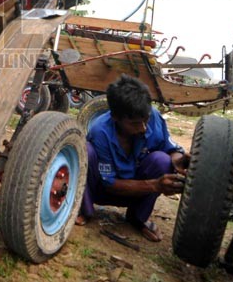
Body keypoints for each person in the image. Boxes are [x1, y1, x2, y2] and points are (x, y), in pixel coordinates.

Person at [77, 74, 190, 242]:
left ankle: (138, 217)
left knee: (162, 160)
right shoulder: (100, 131)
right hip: (102, 190)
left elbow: (170, 149)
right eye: (136, 123)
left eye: (145, 120)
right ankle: (84, 209)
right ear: (115, 117)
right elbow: (109, 184)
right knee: (86, 151)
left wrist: (178, 160)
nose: (144, 128)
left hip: (137, 192)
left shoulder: (154, 117)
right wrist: (155, 185)